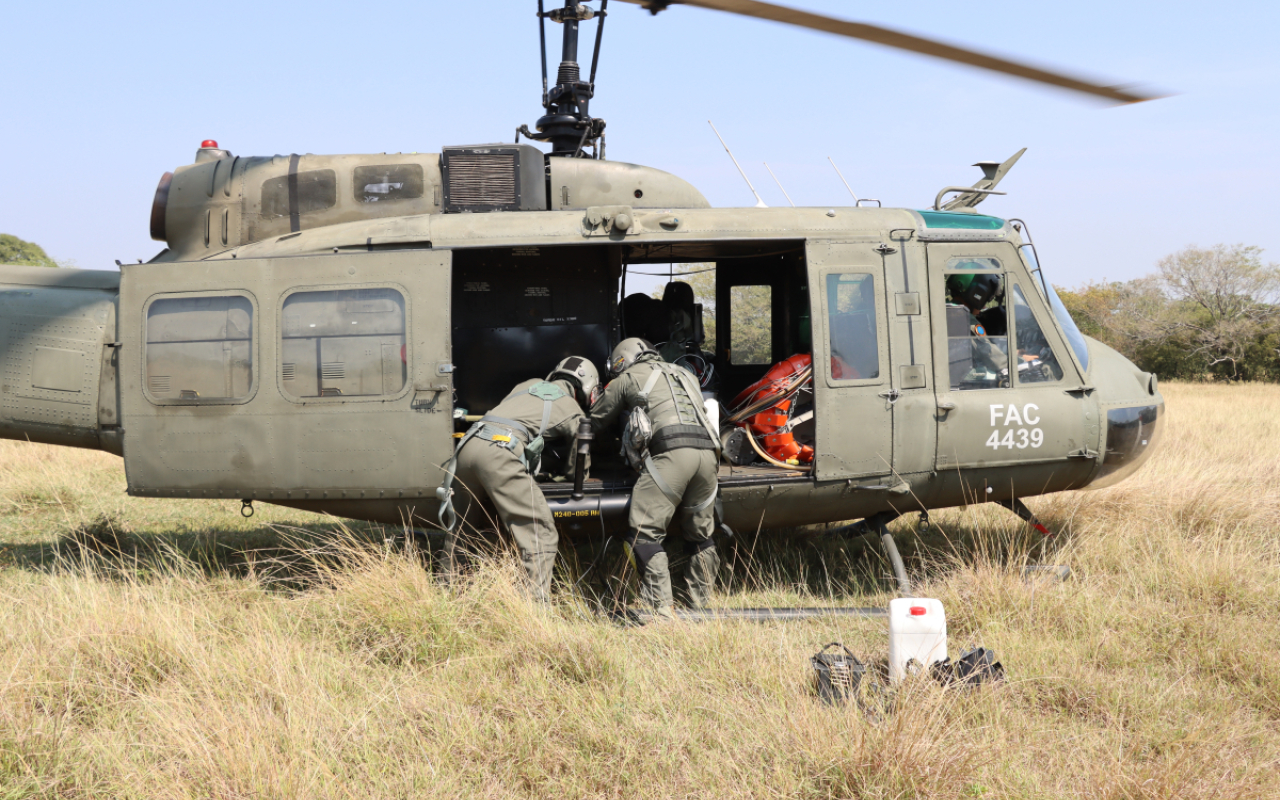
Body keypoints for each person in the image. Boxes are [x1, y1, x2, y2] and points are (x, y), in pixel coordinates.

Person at [436, 356, 600, 600]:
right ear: (587, 389)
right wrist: (573, 477)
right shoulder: (570, 406)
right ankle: (533, 609)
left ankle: (444, 594)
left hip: (468, 448)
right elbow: (580, 445)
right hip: (498, 453)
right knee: (541, 533)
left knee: (462, 531)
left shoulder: (528, 384)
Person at [591, 338, 721, 614]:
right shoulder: (686, 374)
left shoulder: (627, 378)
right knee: (701, 537)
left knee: (643, 535)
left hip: (672, 454)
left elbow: (595, 420)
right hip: (709, 455)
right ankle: (701, 608)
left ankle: (660, 611)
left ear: (621, 361)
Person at [946, 271, 1009, 378]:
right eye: (987, 299)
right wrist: (1017, 361)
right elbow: (986, 351)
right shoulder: (963, 317)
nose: (985, 306)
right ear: (976, 295)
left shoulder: (948, 310)